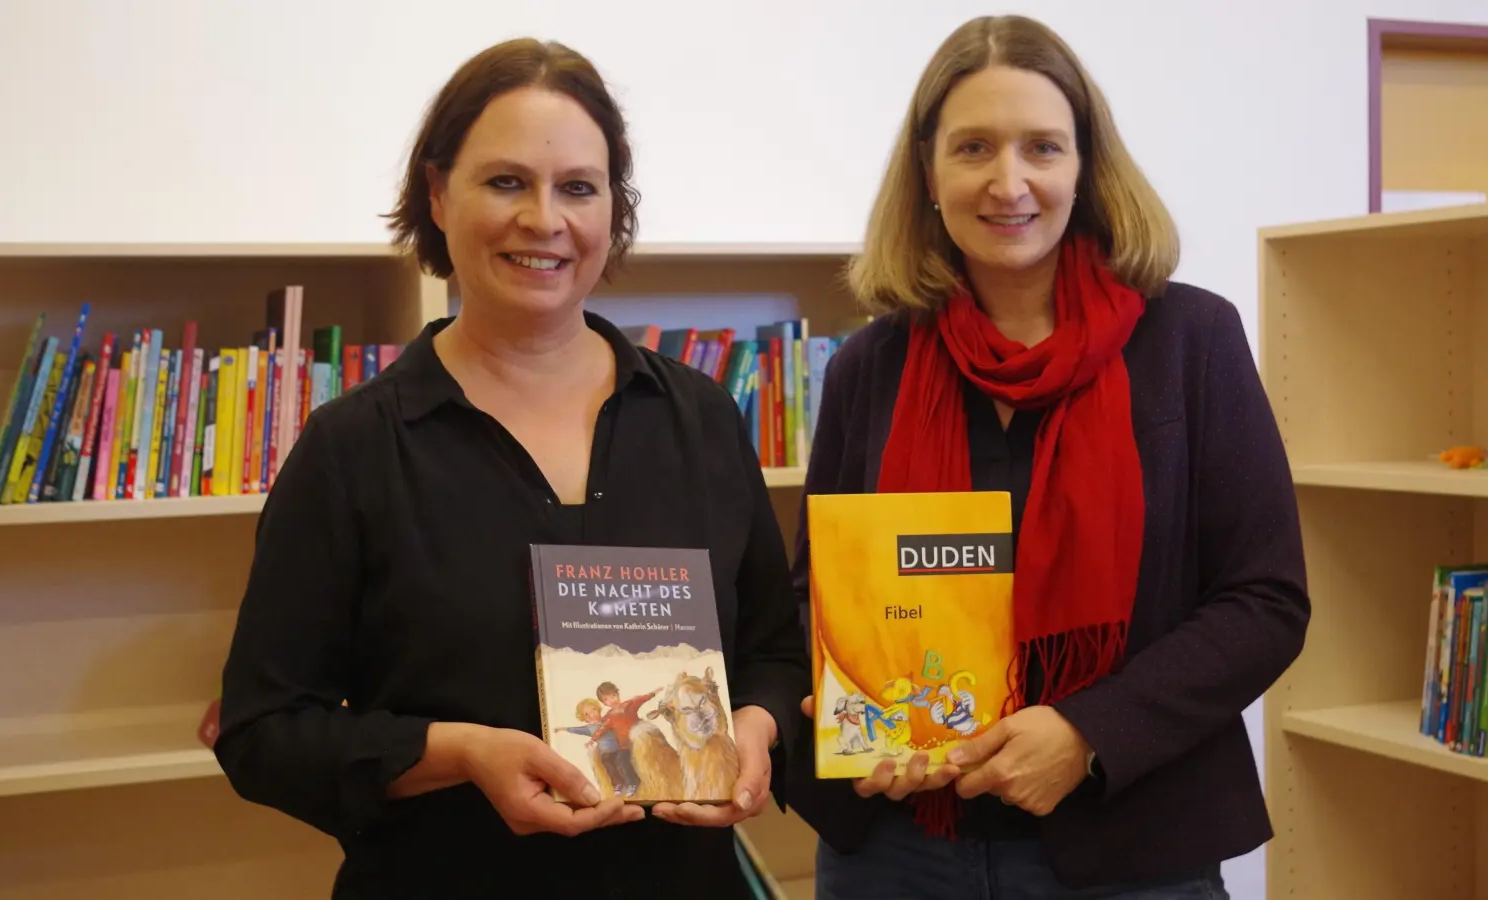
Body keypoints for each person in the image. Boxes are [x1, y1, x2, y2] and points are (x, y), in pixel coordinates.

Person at [213, 37, 808, 899]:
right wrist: (458, 753)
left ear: (614, 207)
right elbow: (262, 731)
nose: (543, 219)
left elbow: (772, 652)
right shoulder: (354, 447)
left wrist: (754, 727)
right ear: (437, 194)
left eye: (578, 187)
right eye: (505, 182)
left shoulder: (701, 418)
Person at [785, 14, 1310, 900]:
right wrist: (855, 700)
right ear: (928, 173)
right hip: (897, 849)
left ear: (1085, 166)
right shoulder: (870, 364)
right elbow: (817, 591)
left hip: (1131, 845)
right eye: (974, 148)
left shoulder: (1192, 340)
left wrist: (1088, 733)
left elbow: (1265, 600)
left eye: (1042, 147)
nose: (1009, 182)